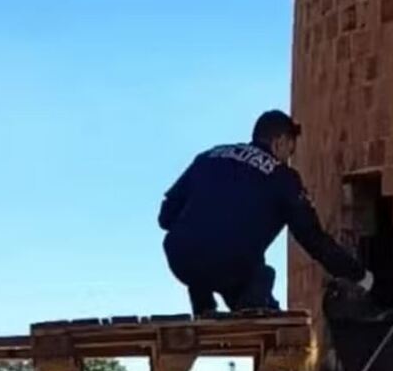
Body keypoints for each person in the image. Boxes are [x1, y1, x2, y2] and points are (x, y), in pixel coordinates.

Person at [158, 109, 373, 315]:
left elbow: (166, 217)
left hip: (180, 257)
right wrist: (360, 276)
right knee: (261, 276)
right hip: (231, 265)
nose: (288, 159)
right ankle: (252, 312)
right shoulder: (283, 178)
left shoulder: (208, 156)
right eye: (289, 152)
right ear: (280, 142)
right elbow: (313, 239)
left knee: (200, 251)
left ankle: (205, 309)